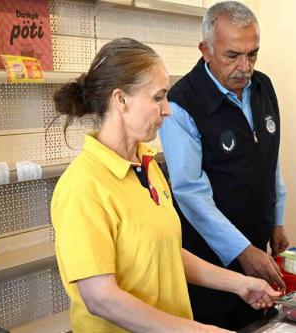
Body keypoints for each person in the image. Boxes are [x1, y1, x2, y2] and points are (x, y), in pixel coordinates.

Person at [51, 38, 280, 333]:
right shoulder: (83, 186)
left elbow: (166, 252)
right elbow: (100, 298)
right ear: (121, 100)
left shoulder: (147, 167)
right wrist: (197, 330)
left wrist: (240, 284)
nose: (167, 110)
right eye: (158, 97)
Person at [159, 1, 289, 330]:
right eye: (233, 55)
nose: (245, 67)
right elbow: (190, 193)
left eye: (253, 54)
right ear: (206, 49)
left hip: (255, 256)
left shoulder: (262, 88)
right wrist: (242, 251)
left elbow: (269, 157)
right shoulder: (181, 104)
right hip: (207, 267)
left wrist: (277, 219)